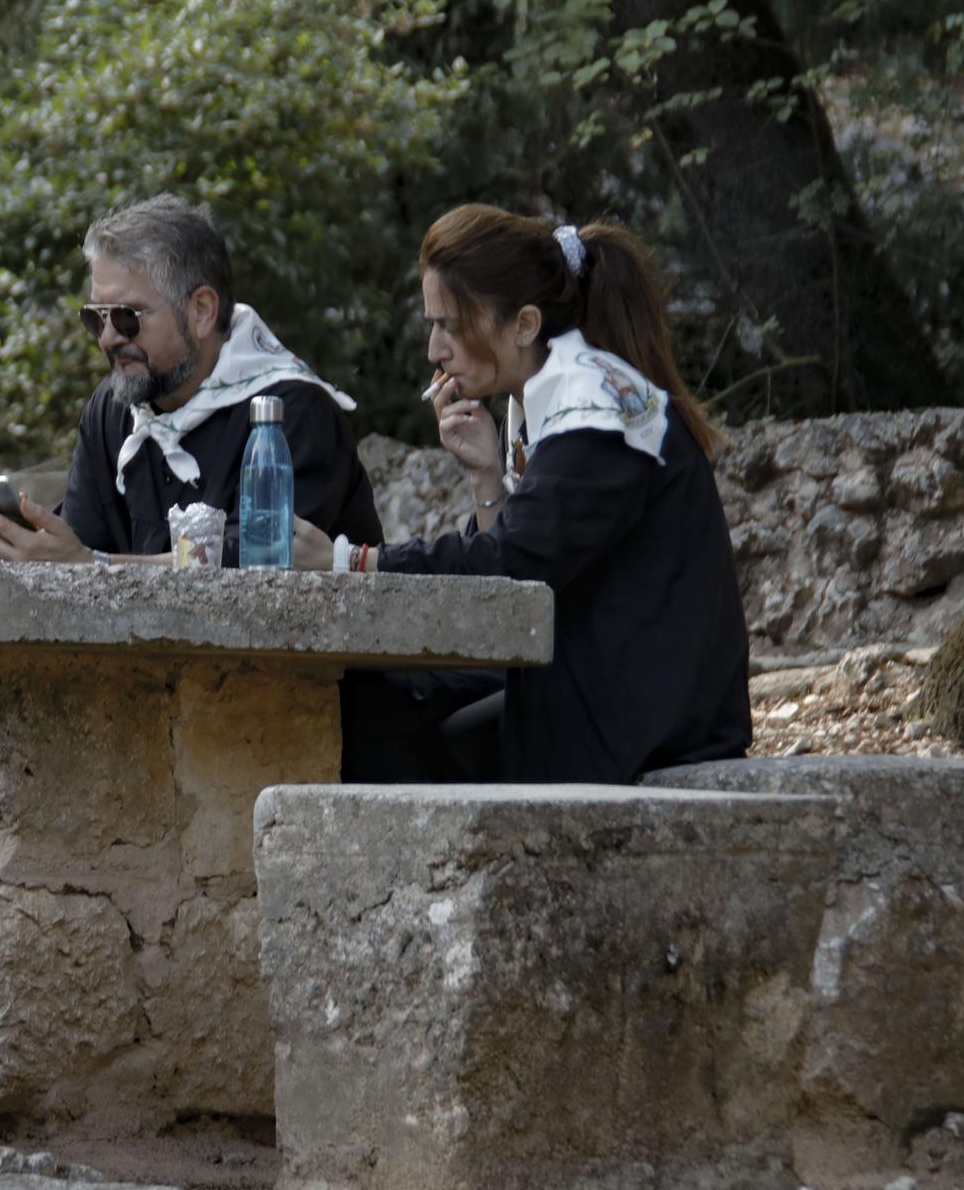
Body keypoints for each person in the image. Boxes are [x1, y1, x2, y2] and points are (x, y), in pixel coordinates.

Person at [296, 203, 751, 784]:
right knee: (373, 704)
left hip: (647, 717)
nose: (436, 350)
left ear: (525, 324)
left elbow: (513, 565)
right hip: (596, 683)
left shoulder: (595, 409)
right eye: (432, 325)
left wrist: (350, 560)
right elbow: (520, 565)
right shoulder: (544, 399)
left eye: (451, 325)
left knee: (390, 740)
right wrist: (488, 476)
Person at [0, 193, 382, 567]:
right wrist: (22, 553)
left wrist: (89, 566)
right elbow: (79, 550)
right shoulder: (114, 407)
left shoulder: (290, 414)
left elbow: (255, 576)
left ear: (201, 311)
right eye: (94, 318)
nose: (109, 338)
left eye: (127, 317)